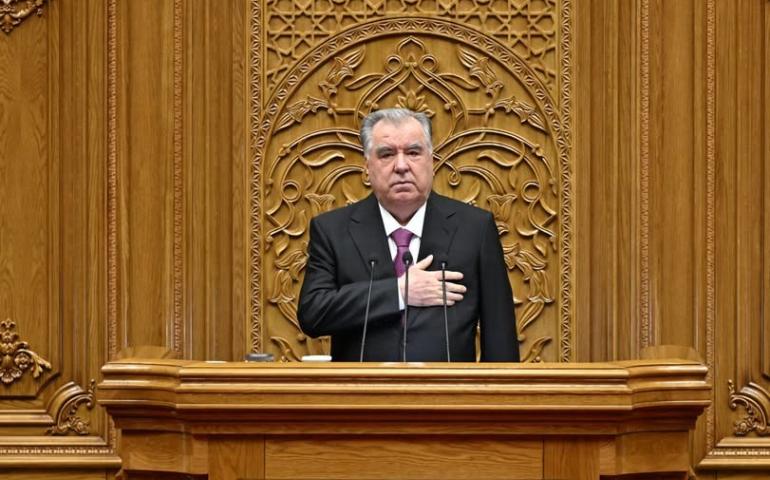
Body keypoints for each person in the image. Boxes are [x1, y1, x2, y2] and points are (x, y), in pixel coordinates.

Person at [298, 108, 519, 362]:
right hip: (362, 387)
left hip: (449, 388)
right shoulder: (332, 230)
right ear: (367, 167)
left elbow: (500, 338)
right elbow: (312, 314)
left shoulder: (475, 228)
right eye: (386, 154)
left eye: (413, 153)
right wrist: (399, 292)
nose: (401, 166)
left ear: (431, 162)